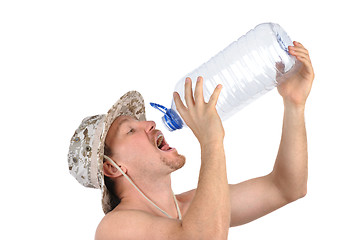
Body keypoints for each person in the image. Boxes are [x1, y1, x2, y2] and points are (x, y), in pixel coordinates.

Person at [68, 41, 314, 240]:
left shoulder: (191, 207)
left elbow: (286, 187)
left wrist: (294, 104)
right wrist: (211, 141)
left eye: (141, 121)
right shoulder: (114, 228)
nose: (150, 124)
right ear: (112, 167)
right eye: (130, 130)